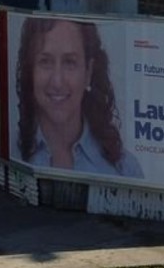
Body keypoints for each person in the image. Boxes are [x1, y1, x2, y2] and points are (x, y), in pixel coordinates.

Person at [15, 17, 143, 178]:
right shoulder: (8, 153)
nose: (57, 81)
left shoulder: (125, 170)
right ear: (30, 71)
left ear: (88, 72)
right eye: (45, 61)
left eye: (70, 62)